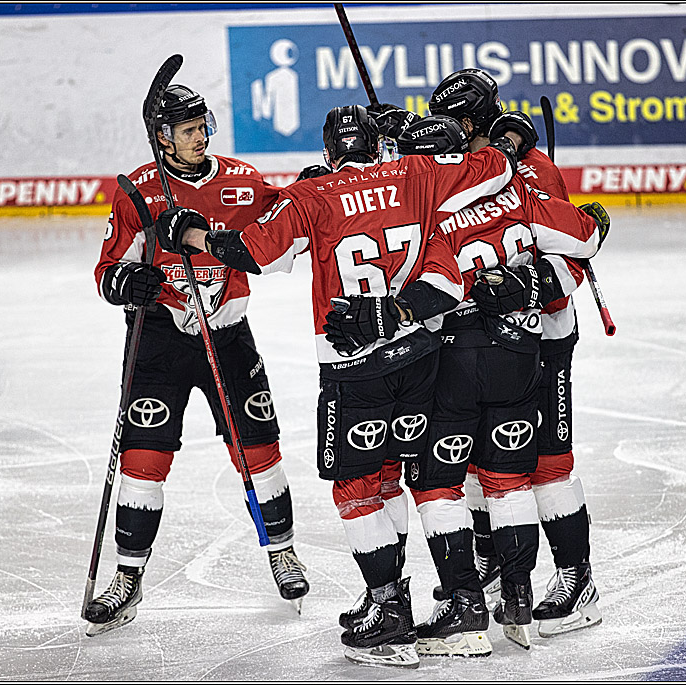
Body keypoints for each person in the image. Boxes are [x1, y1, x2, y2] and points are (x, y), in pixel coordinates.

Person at [158, 104, 531, 667]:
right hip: (422, 354)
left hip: (353, 369)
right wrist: (487, 137)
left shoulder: (313, 196)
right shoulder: (417, 173)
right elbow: (497, 169)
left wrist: (189, 233)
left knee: (357, 490)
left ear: (329, 153)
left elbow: (250, 252)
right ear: (379, 144)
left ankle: (389, 612)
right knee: (431, 484)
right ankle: (464, 608)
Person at [326, 114, 607, 651]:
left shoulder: (427, 209)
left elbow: (429, 286)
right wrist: (532, 281)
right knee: (506, 475)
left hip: (478, 356)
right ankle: (513, 591)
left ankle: (476, 601)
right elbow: (587, 236)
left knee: (445, 481)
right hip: (520, 353)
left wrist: (381, 316)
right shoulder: (513, 188)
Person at [85, 84, 309, 636]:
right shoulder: (138, 190)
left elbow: (283, 218)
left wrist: (315, 186)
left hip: (228, 336)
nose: (202, 136)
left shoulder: (241, 179)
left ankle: (281, 550)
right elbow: (107, 271)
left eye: (204, 125)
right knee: (144, 459)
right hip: (160, 339)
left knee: (260, 450)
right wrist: (129, 281)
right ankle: (128, 579)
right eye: (188, 130)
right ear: (163, 137)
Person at [425, 68, 603, 637]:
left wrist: (521, 282)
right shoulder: (456, 172)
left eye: (451, 122)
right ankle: (496, 569)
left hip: (543, 339)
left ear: (471, 121)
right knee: (481, 464)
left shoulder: (530, 169)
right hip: (478, 346)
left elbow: (574, 258)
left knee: (548, 464)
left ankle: (578, 580)